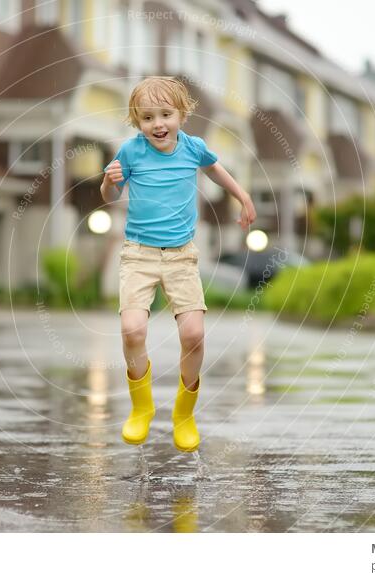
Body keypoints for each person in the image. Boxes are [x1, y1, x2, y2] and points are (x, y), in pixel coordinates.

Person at [100, 77, 256, 453]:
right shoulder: (131, 152)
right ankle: (142, 407)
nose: (158, 124)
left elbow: (215, 169)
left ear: (182, 115)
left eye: (166, 115)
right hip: (139, 254)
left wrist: (242, 196)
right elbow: (108, 196)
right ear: (136, 121)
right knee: (132, 330)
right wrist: (108, 181)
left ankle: (184, 414)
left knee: (193, 336)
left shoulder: (193, 148)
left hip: (181, 256)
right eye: (148, 117)